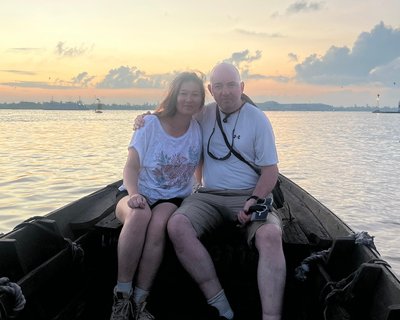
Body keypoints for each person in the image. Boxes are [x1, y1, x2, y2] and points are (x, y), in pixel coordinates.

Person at [135, 63, 286, 320]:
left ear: (242, 87)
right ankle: (221, 306)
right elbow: (172, 118)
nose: (225, 92)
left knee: (270, 235)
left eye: (231, 85)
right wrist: (148, 117)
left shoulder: (258, 119)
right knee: (177, 225)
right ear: (210, 90)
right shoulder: (203, 114)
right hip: (209, 195)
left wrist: (253, 200)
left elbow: (270, 173)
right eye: (219, 86)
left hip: (250, 193)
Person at [110, 71, 205, 320]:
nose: (189, 99)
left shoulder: (198, 128)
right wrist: (134, 194)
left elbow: (201, 167)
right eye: (184, 93)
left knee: (158, 223)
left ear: (201, 99)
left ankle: (140, 300)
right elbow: (130, 167)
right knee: (140, 216)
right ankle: (122, 298)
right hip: (136, 191)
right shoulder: (149, 124)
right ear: (174, 96)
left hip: (172, 198)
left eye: (195, 94)